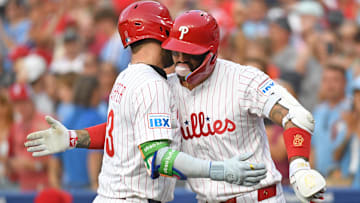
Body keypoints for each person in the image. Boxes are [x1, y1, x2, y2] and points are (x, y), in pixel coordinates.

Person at [25, 2, 267, 203]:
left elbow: (120, 133)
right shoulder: (153, 84)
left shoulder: (126, 76)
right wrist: (219, 169)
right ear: (161, 32)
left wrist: (72, 138)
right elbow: (158, 159)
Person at [161, 10, 326, 202]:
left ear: (211, 50)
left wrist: (299, 167)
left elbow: (296, 116)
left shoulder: (243, 78)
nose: (181, 59)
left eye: (189, 52)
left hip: (257, 197)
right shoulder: (164, 88)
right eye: (175, 51)